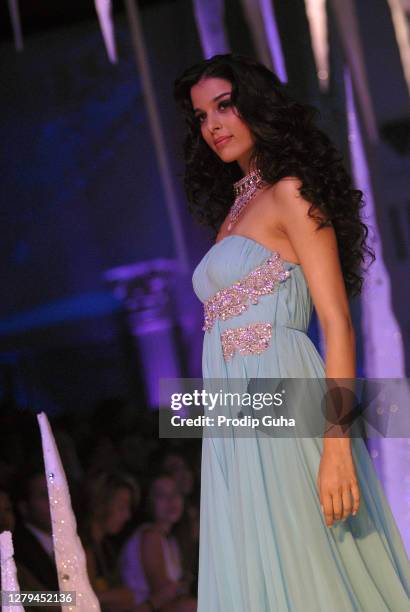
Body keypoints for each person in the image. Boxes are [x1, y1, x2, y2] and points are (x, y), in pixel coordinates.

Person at [173, 53, 410, 611]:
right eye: (202, 116)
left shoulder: (290, 192)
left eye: (225, 106)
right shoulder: (234, 209)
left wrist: (337, 446)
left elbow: (336, 322)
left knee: (315, 562)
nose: (213, 125)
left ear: (255, 105)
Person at [120, 473, 197, 611]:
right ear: (150, 502)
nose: (171, 500)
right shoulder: (150, 536)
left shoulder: (171, 540)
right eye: (161, 495)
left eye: (175, 493)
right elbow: (162, 594)